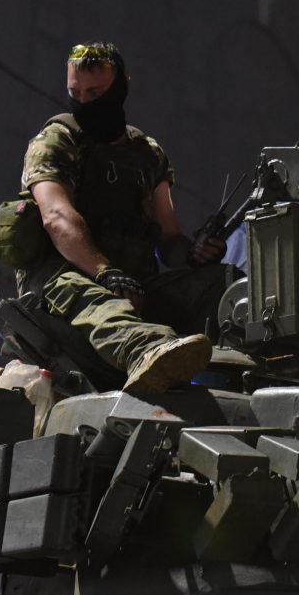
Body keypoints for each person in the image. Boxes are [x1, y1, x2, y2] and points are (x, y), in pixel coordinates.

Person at [15, 42, 230, 394]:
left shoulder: (147, 155)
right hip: (62, 280)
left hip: (133, 284)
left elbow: (169, 238)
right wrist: (104, 271)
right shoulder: (56, 141)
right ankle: (147, 352)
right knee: (102, 305)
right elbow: (56, 216)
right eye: (75, 92)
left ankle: (241, 366)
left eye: (95, 92)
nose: (84, 101)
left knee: (223, 284)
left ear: (121, 86)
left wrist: (193, 254)